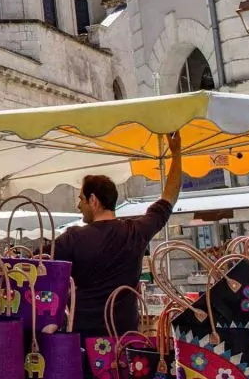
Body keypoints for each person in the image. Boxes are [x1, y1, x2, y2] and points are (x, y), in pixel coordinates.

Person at [53, 132, 182, 379]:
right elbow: (169, 198)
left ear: (93, 200)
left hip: (84, 343)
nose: (79, 206)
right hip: (126, 342)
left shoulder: (72, 238)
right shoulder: (136, 232)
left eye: (81, 199)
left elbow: (36, 263)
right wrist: (176, 154)